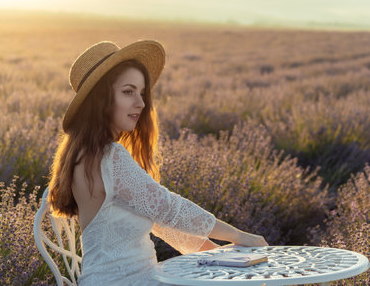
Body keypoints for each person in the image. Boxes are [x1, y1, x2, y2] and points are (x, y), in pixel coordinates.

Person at [47, 40, 268, 285]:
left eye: (141, 93)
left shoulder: (84, 154)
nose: (141, 103)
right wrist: (237, 235)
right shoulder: (110, 156)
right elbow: (167, 208)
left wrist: (213, 252)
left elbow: (158, 220)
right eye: (128, 92)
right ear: (101, 99)